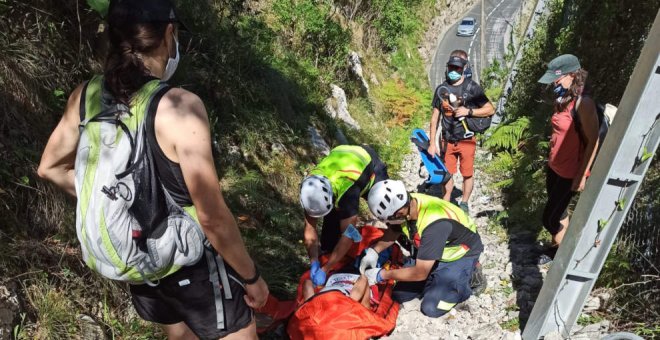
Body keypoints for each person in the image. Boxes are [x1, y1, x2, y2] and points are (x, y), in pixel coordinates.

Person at [37, 0, 268, 338]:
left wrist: (113, 202)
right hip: (188, 265)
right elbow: (212, 218)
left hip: (139, 266)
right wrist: (252, 278)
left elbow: (49, 168)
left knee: (179, 334)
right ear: (168, 34)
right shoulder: (180, 108)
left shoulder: (85, 95)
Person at [359, 180, 484, 317]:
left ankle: (471, 276)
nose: (387, 223)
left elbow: (420, 273)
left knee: (432, 307)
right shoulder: (408, 203)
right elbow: (394, 230)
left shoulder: (434, 225)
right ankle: (435, 276)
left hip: (460, 254)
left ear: (400, 212)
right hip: (435, 247)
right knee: (399, 295)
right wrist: (374, 251)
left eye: (388, 220)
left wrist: (381, 275)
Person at [537, 54, 599, 264]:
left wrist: (582, 175)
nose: (554, 83)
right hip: (554, 166)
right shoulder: (562, 98)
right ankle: (557, 250)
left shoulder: (584, 103)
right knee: (560, 211)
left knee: (549, 218)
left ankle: (569, 247)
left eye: (557, 79)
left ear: (572, 75)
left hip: (570, 171)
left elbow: (593, 141)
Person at [299, 145, 388, 287]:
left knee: (388, 210)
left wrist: (326, 268)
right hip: (342, 157)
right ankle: (331, 253)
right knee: (329, 240)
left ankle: (396, 240)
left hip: (366, 162)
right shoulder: (310, 189)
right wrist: (314, 261)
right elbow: (310, 229)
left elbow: (349, 235)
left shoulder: (348, 191)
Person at [427, 50, 495, 214]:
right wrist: (431, 144)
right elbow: (435, 118)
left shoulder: (472, 88)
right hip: (447, 140)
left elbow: (490, 109)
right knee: (447, 174)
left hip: (467, 139)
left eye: (457, 68)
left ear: (463, 68)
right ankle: (447, 203)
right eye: (451, 67)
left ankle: (464, 204)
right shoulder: (441, 89)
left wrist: (468, 112)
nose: (453, 71)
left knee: (467, 173)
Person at [302, 271, 373, 309]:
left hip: (341, 301)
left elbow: (364, 278)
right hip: (341, 299)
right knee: (307, 282)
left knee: (307, 282)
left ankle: (308, 307)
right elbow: (366, 311)